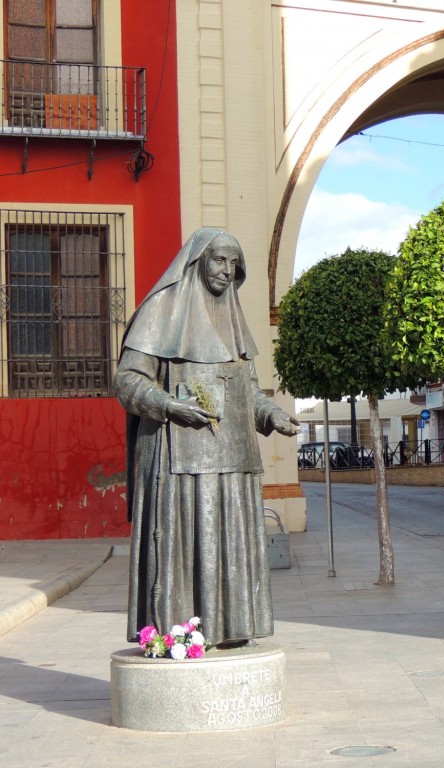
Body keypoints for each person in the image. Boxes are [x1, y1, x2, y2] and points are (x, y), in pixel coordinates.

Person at [114, 228, 299, 649]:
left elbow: (247, 388)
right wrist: (168, 405)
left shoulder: (231, 317)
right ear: (197, 261)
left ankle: (229, 630)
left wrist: (271, 414)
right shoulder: (161, 310)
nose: (227, 270)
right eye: (219, 260)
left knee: (228, 547)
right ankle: (179, 633)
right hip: (175, 458)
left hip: (231, 459)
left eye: (234, 264)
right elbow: (126, 380)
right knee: (179, 550)